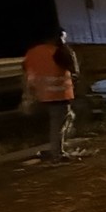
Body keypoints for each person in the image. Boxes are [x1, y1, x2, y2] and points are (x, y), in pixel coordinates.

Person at [22, 28, 79, 162]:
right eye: (63, 37)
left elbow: (25, 71)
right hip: (59, 94)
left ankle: (56, 148)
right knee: (58, 125)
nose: (64, 40)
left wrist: (28, 94)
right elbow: (74, 70)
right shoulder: (59, 51)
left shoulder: (32, 52)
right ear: (56, 37)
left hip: (41, 94)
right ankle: (57, 153)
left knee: (61, 121)